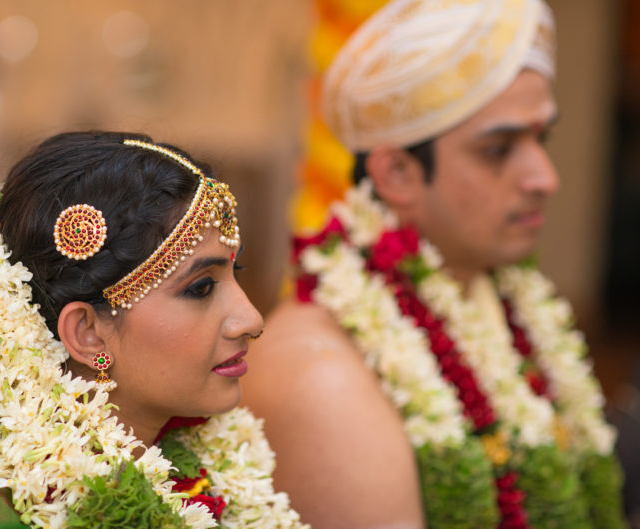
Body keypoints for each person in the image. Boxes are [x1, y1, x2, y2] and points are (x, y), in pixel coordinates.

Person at [242, 1, 627, 529]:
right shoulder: (320, 372)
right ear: (397, 173)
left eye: (542, 139)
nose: (544, 177)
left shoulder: (501, 301)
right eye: (498, 149)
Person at [0, 131, 308, 529]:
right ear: (88, 333)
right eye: (200, 288)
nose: (251, 319)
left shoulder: (201, 473)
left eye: (237, 272)